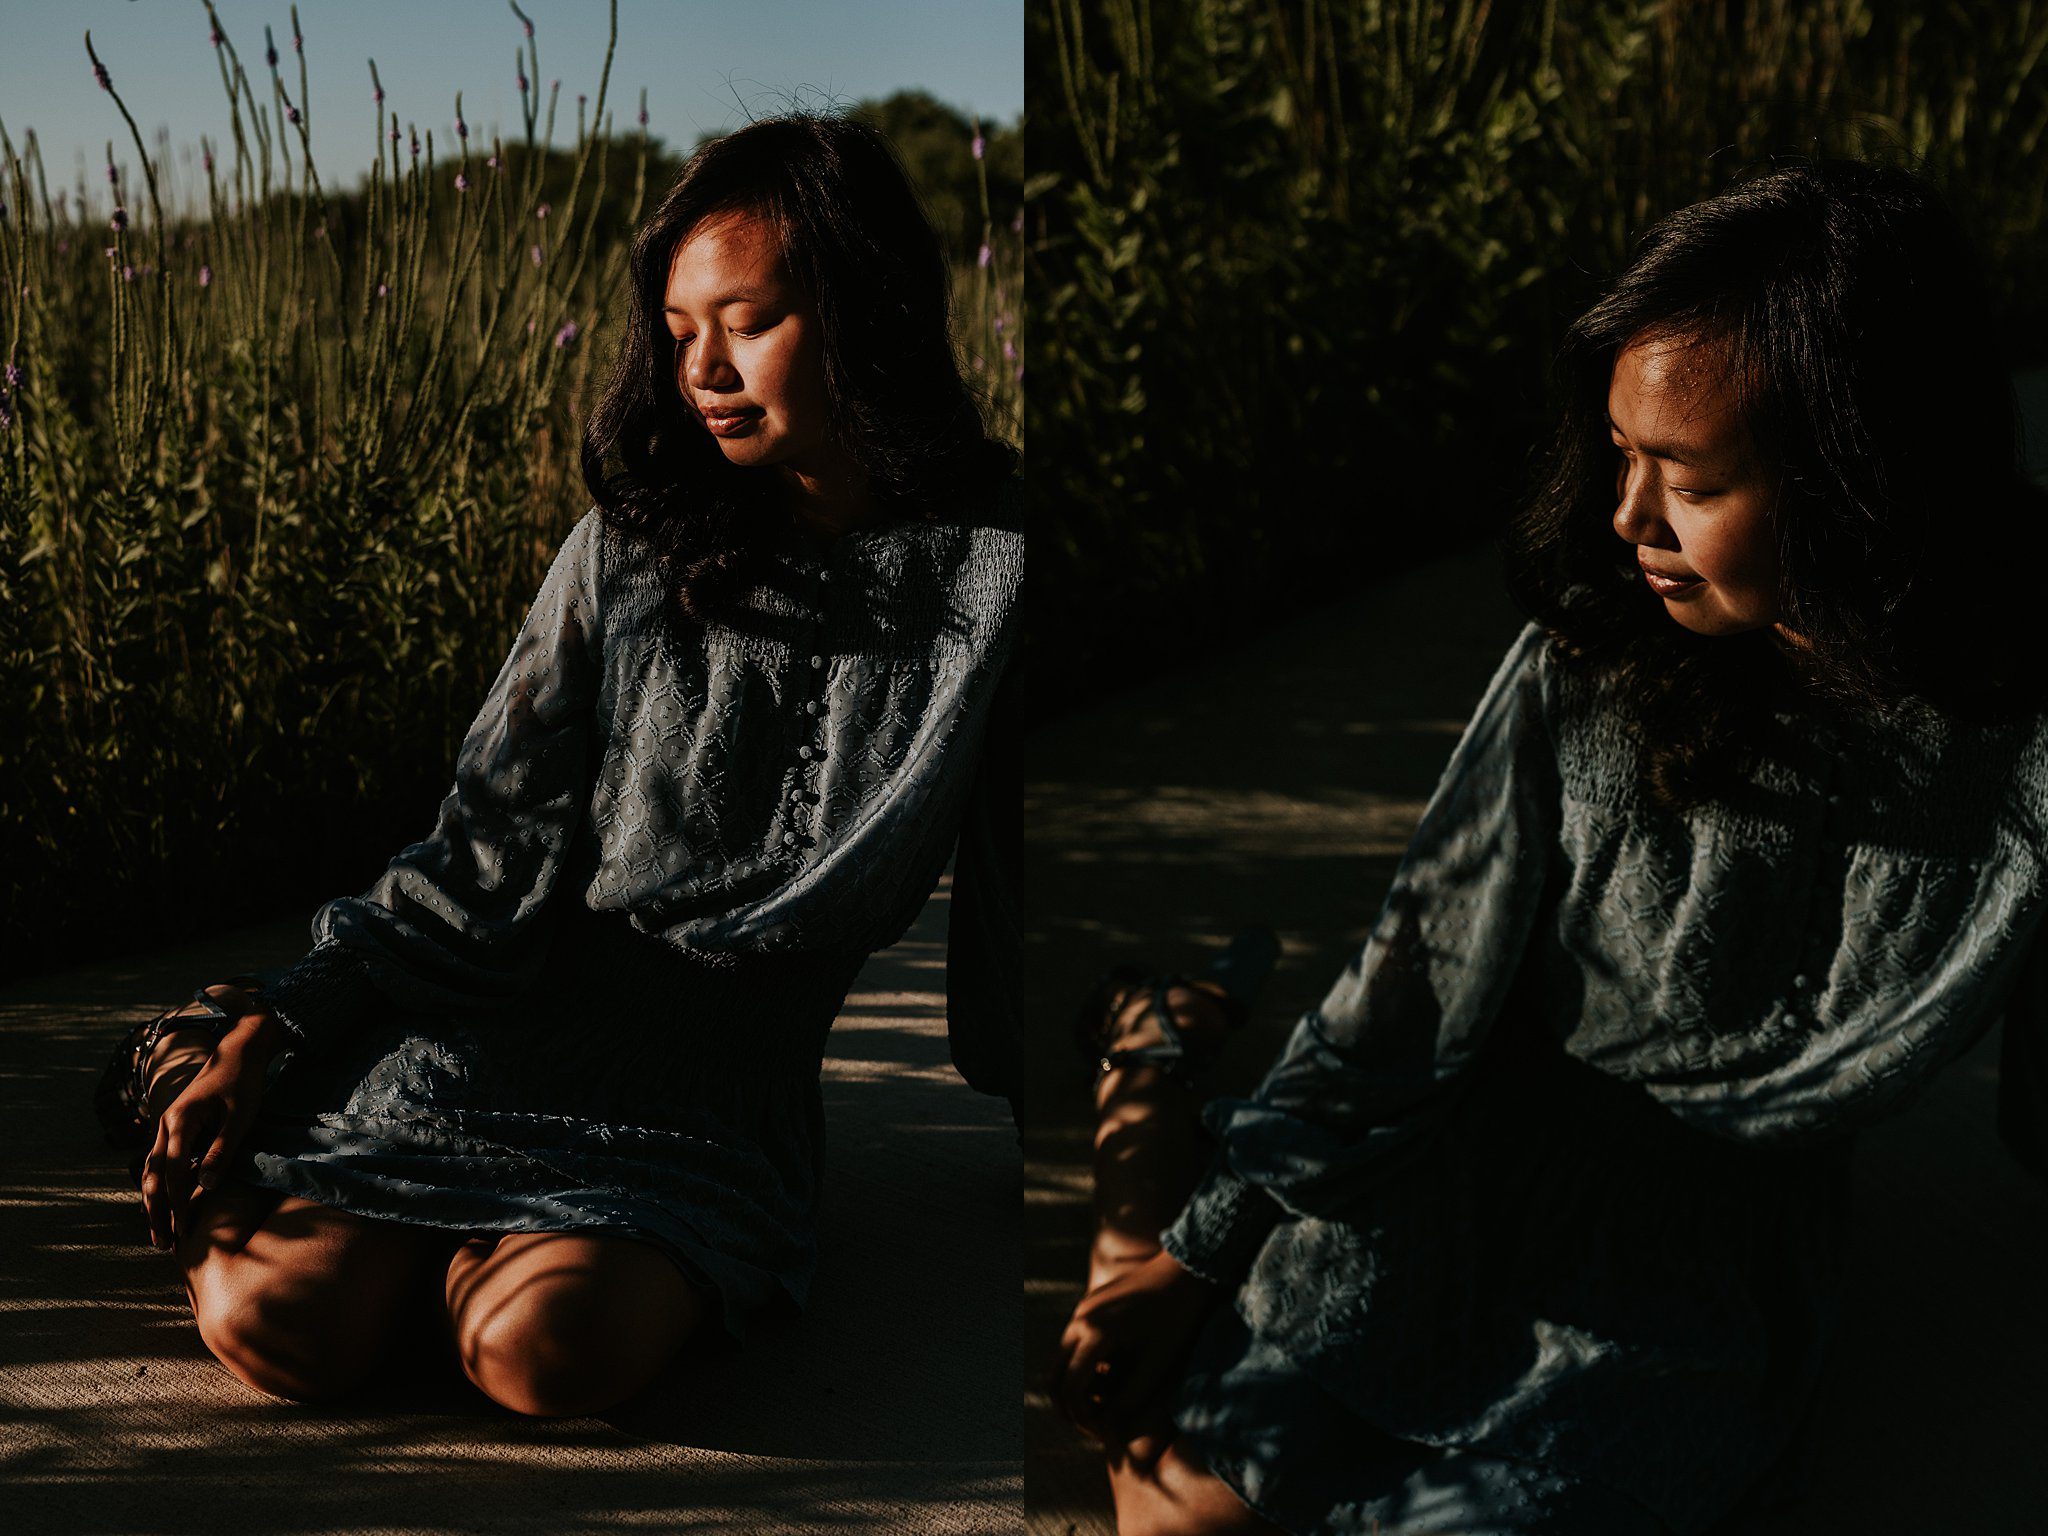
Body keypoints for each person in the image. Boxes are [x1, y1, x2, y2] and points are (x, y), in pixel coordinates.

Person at [1055, 159, 2048, 1534]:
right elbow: (1404, 992)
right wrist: (1193, 1255)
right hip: (1459, 1151)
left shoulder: (2018, 737)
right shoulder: (1590, 660)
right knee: (1171, 1510)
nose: (1628, 518)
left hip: (1698, 1274)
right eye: (1621, 457)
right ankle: (1152, 1082)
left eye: (1685, 478)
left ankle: (1161, 1066)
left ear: (1858, 469)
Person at [92, 112, 1022, 1417]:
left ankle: (480, 1251)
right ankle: (215, 1043)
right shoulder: (627, 550)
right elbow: (484, 850)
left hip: (711, 1106)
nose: (702, 370)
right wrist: (292, 1018)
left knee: (543, 1355)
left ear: (864, 309)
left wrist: (1081, 1102)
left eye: (744, 322)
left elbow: (1021, 885)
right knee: (280, 1320)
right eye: (678, 328)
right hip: (496, 1024)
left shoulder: (994, 569)